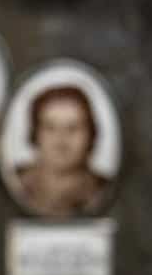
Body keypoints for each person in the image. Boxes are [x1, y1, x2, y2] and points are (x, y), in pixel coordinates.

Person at [14, 84, 110, 218]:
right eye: (50, 128)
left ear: (91, 135)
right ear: (35, 133)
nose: (61, 141)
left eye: (73, 128)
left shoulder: (106, 189)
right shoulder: (14, 182)